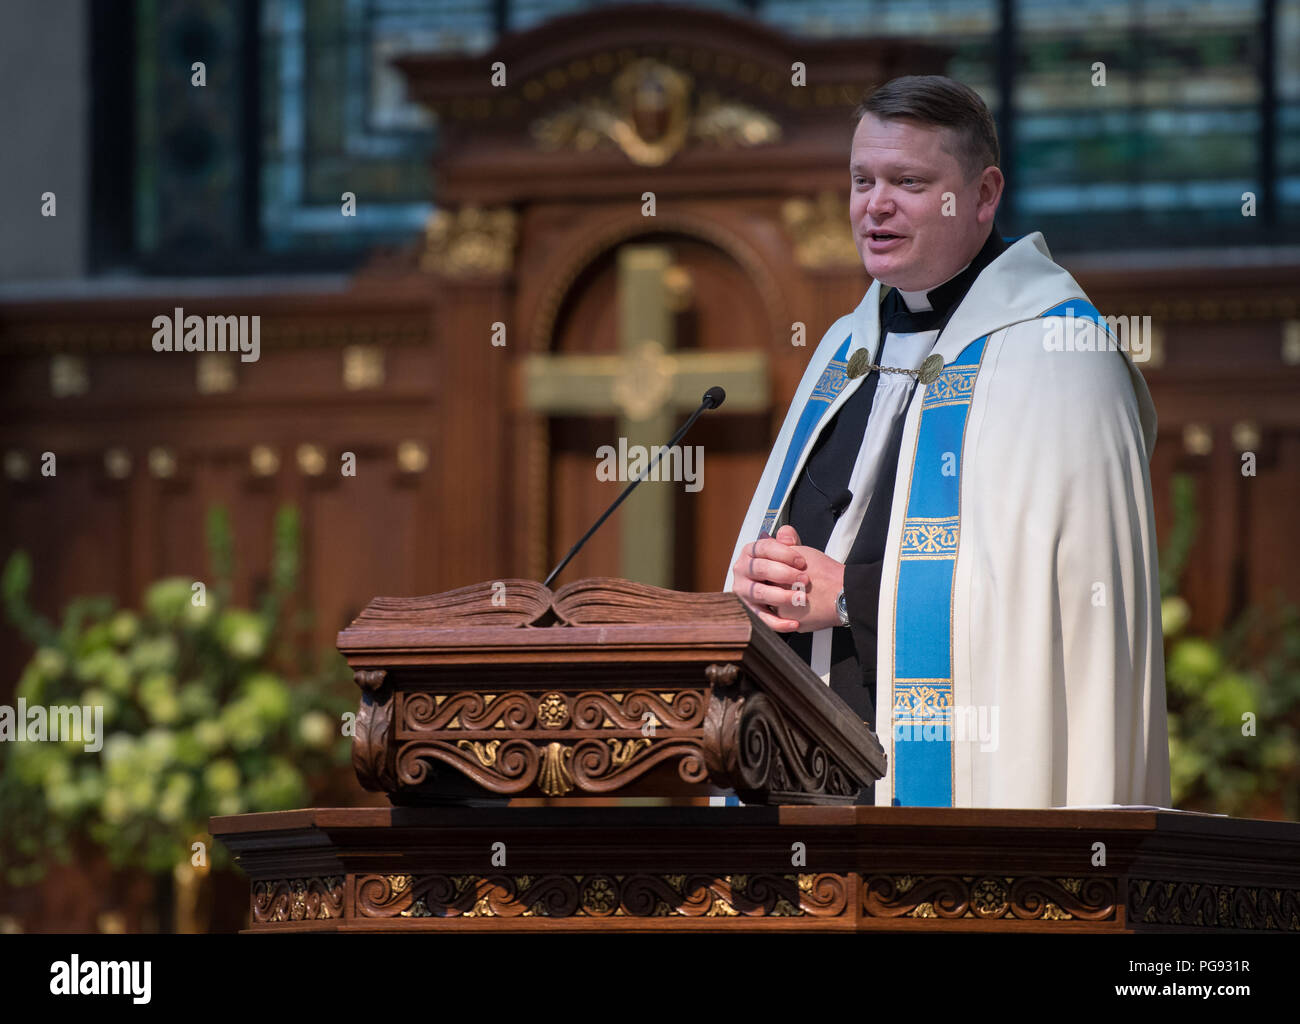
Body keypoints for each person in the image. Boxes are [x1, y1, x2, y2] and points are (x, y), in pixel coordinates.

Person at [723, 75, 1171, 809]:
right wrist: (755, 591)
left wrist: (851, 598)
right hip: (803, 790)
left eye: (909, 181)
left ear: (984, 194)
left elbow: (1055, 614)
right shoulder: (845, 348)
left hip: (958, 801)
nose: (876, 204)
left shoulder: (1058, 352)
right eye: (863, 180)